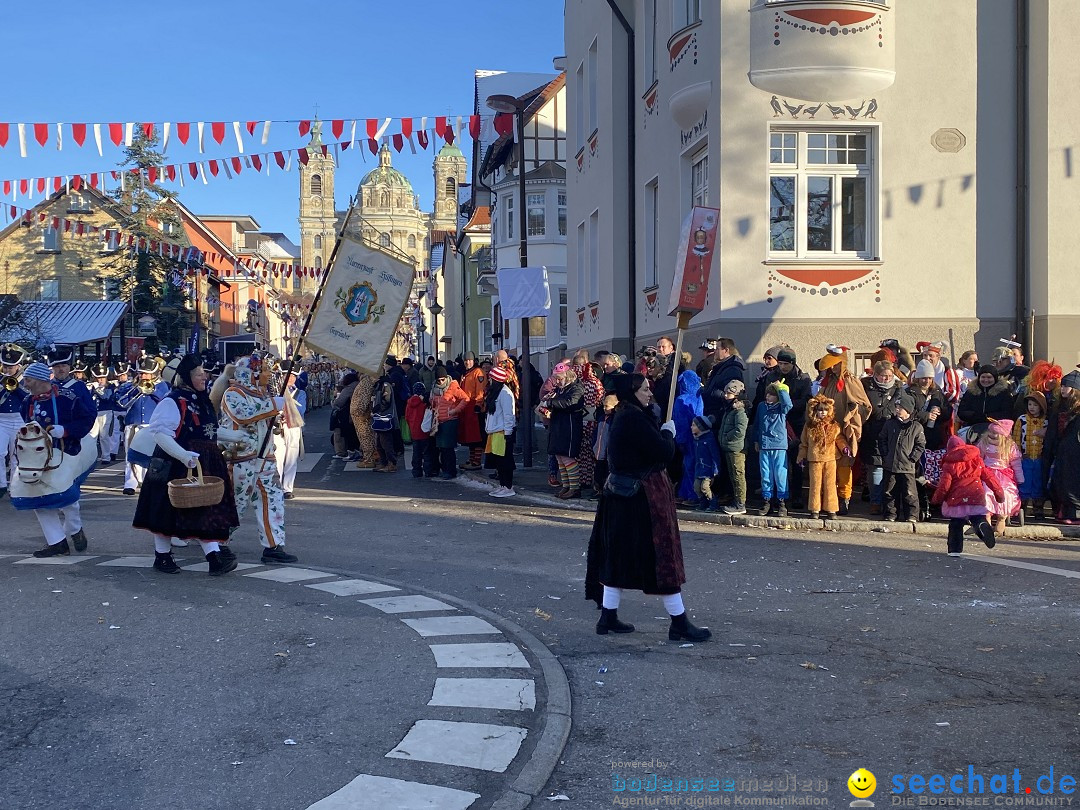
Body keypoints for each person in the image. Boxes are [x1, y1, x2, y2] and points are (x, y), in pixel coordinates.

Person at [585, 373, 711, 642]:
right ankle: (679, 622)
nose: (649, 393)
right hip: (642, 499)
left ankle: (608, 617)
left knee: (618, 557)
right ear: (631, 393)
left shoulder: (627, 414)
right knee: (661, 556)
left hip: (623, 497)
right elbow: (663, 453)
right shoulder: (633, 418)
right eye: (644, 389)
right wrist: (667, 434)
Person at [132, 353, 241, 575]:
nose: (205, 377)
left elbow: (209, 431)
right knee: (166, 512)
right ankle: (165, 556)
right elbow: (160, 433)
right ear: (186, 377)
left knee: (203, 511)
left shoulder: (201, 400)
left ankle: (213, 557)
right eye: (199, 373)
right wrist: (183, 455)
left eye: (204, 373)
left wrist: (238, 437)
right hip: (176, 464)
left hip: (203, 463)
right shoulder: (173, 401)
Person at [219, 353, 298, 564]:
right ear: (251, 373)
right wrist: (273, 405)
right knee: (236, 503)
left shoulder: (263, 394)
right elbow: (244, 415)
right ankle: (218, 543)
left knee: (273, 501)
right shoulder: (233, 393)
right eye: (263, 370)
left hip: (265, 458)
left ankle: (273, 546)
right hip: (241, 458)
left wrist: (275, 410)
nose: (268, 374)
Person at [12, 362, 96, 556]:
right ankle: (57, 542)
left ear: (41, 380)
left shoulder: (68, 399)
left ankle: (75, 529)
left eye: (29, 379)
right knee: (36, 496)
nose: (25, 383)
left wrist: (65, 431)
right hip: (38, 457)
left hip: (66, 451)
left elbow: (86, 420)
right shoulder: (27, 402)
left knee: (65, 495)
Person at [817, 346, 871, 514]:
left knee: (844, 466)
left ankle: (844, 499)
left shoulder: (851, 381)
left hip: (844, 430)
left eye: (835, 365)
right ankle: (829, 498)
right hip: (827, 430)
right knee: (828, 466)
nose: (832, 368)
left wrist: (854, 410)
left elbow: (865, 407)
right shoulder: (828, 382)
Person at [931, 435, 1002, 556]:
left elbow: (944, 485)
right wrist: (999, 493)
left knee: (956, 524)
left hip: (956, 498)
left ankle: (954, 550)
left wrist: (936, 499)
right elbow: (989, 477)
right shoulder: (977, 460)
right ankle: (982, 526)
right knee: (977, 518)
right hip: (975, 495)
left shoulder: (949, 464)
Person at [116, 354, 169, 495]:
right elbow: (121, 401)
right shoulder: (132, 385)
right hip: (132, 423)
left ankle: (147, 482)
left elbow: (164, 399)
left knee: (147, 455)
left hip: (150, 425)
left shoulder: (162, 385)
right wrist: (132, 388)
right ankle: (130, 483)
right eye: (141, 373)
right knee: (130, 454)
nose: (144, 376)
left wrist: (152, 390)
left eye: (146, 374)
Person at [906, 359, 951, 521]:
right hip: (916, 437)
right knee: (919, 472)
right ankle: (921, 504)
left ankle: (934, 502)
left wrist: (941, 411)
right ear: (918, 378)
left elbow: (948, 413)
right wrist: (927, 416)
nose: (927, 381)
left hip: (934, 438)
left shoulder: (937, 392)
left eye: (930, 378)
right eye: (924, 377)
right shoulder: (910, 392)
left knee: (933, 472)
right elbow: (908, 413)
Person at [861, 360, 904, 515]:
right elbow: (871, 411)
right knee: (875, 469)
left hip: (893, 433)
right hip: (872, 433)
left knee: (892, 469)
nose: (886, 379)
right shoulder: (866, 387)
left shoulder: (900, 388)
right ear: (875, 375)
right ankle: (876, 502)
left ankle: (890, 503)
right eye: (882, 376)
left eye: (889, 376)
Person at [877, 393, 926, 522]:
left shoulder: (916, 427)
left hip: (907, 466)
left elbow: (920, 445)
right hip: (890, 464)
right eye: (896, 407)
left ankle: (912, 515)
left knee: (910, 493)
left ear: (908, 410)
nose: (897, 409)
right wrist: (885, 454)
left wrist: (913, 458)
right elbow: (882, 439)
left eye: (900, 407)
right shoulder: (890, 424)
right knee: (889, 492)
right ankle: (890, 514)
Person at [544, 363, 586, 499]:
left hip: (570, 425)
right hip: (559, 425)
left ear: (567, 376)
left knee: (568, 457)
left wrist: (551, 402)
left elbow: (570, 402)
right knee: (559, 456)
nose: (556, 381)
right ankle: (566, 485)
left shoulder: (576, 388)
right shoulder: (560, 389)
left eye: (558, 378)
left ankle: (574, 488)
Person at [976, 419, 1023, 535]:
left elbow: (1016, 463)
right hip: (987, 473)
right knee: (986, 491)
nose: (992, 435)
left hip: (1004, 474)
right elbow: (978, 459)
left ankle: (1001, 518)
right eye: (991, 432)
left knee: (1005, 493)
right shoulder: (984, 443)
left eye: (995, 433)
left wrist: (1020, 477)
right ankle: (986, 517)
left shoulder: (1010, 446)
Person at [754, 380, 792, 516]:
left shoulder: (782, 407)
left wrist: (780, 388)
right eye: (767, 394)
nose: (768, 397)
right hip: (764, 445)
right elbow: (757, 424)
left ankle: (782, 502)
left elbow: (788, 404)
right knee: (766, 474)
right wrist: (756, 441)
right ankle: (767, 501)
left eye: (771, 395)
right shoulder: (761, 406)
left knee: (780, 474)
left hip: (779, 445)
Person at [1046, 376, 1080, 524]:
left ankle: (1074, 513)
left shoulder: (1077, 410)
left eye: (1067, 386)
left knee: (1072, 481)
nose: (1063, 389)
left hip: (1074, 450)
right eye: (1062, 386)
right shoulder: (1059, 406)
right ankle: (1063, 511)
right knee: (1060, 480)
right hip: (1061, 449)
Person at [1013, 391, 1048, 520]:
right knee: (1024, 481)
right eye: (1030, 404)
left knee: (1038, 482)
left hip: (1040, 458)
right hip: (1025, 457)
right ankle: (1022, 508)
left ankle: (1038, 508)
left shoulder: (1045, 422)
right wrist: (1017, 454)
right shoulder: (1021, 420)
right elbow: (1016, 438)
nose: (1031, 407)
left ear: (1042, 407)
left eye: (1035, 405)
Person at [0, 343, 29, 498]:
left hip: (19, 420)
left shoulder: (25, 380)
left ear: (18, 366)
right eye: (5, 366)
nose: (7, 370)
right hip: (1, 419)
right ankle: (1, 484)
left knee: (16, 456)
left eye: (10, 367)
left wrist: (15, 387)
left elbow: (27, 398)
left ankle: (14, 486)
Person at [716, 379, 749, 515]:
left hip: (736, 449)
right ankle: (737, 501)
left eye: (728, 393)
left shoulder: (739, 411)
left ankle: (740, 503)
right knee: (733, 476)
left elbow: (740, 430)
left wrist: (728, 437)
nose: (725, 396)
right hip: (730, 447)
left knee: (738, 475)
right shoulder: (730, 409)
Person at [671, 369, 704, 505]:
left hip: (685, 436)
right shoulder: (699, 396)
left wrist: (680, 438)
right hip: (698, 434)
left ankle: (692, 495)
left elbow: (679, 421)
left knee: (689, 466)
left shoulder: (681, 399)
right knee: (692, 465)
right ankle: (687, 493)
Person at [484, 366, 518, 497]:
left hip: (502, 432)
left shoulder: (505, 393)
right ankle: (502, 485)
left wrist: (508, 433)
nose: (489, 380)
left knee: (505, 461)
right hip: (495, 432)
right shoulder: (496, 392)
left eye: (491, 378)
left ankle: (508, 487)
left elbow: (509, 415)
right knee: (498, 461)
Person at [429, 368, 468, 479]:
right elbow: (433, 402)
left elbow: (465, 398)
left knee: (448, 448)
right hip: (438, 421)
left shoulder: (453, 386)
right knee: (441, 448)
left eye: (443, 379)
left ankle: (450, 471)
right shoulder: (434, 388)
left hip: (450, 421)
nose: (441, 382)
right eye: (439, 380)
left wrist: (455, 410)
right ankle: (445, 469)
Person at [273, 370, 306, 498]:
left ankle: (287, 488)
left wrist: (286, 412)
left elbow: (301, 409)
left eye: (293, 376)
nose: (290, 378)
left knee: (291, 457)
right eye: (287, 376)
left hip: (293, 427)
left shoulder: (300, 393)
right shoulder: (276, 391)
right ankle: (277, 486)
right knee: (278, 456)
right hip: (278, 426)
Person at [957, 365, 1014, 439]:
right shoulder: (971, 392)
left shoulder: (1003, 393)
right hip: (973, 429)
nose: (986, 380)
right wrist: (975, 416)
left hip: (996, 431)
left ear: (995, 378)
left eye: (989, 377)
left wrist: (987, 417)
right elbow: (962, 412)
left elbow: (1007, 413)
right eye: (983, 377)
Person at [701, 338, 747, 424]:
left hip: (720, 414)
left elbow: (733, 394)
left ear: (726, 350)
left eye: (717, 349)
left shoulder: (732, 369)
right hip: (713, 412)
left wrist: (713, 392)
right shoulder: (720, 367)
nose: (715, 352)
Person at [458, 352, 486, 470]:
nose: (467, 362)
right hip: (467, 407)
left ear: (473, 360)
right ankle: (472, 459)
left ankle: (477, 461)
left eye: (469, 360)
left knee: (476, 435)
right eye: (465, 360)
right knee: (469, 435)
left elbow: (481, 390)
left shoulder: (478, 373)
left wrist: (478, 405)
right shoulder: (466, 374)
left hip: (474, 406)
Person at [89, 360, 120, 466]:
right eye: (98, 378)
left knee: (104, 436)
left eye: (102, 377)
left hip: (106, 413)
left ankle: (106, 456)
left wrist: (97, 388)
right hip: (93, 413)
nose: (100, 380)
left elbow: (106, 397)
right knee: (92, 436)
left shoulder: (110, 387)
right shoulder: (91, 387)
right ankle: (92, 457)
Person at [691, 415, 721, 511]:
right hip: (699, 468)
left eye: (694, 425)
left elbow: (715, 455)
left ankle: (713, 503)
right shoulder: (696, 440)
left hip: (708, 469)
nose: (691, 427)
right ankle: (703, 503)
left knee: (705, 487)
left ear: (701, 427)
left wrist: (715, 470)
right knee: (696, 487)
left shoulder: (709, 440)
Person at [349, 372, 377, 468]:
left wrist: (361, 413)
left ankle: (369, 459)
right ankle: (369, 457)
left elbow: (363, 399)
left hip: (361, 415)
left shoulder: (366, 382)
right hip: (360, 414)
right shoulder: (366, 381)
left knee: (366, 437)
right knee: (365, 437)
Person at [331, 370, 361, 461]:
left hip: (348, 414)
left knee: (349, 434)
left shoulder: (349, 388)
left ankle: (351, 453)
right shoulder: (359, 385)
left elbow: (340, 402)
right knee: (356, 434)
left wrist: (335, 401)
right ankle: (357, 451)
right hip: (359, 413)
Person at [404, 382, 431, 478]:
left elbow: (407, 417)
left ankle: (416, 471)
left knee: (416, 452)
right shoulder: (424, 403)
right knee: (427, 452)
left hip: (414, 431)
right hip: (424, 431)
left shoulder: (409, 402)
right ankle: (428, 471)